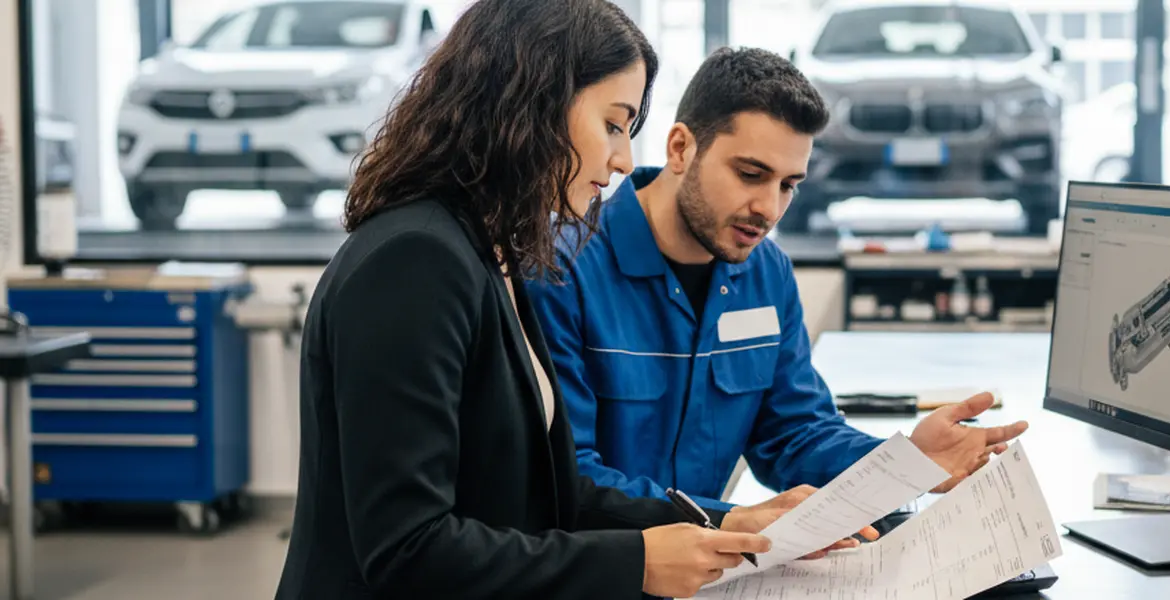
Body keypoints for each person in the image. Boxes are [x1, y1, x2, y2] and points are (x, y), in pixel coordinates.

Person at [273, 5, 855, 599]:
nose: (625, 159)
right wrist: (636, 562)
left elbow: (549, 489)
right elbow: (408, 549)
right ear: (536, 105)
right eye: (613, 124)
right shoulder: (417, 259)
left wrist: (724, 523)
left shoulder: (490, 253)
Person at [526, 47, 1030, 512]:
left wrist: (903, 465)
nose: (768, 209)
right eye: (750, 174)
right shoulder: (560, 271)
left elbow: (794, 434)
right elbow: (570, 477)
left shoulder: (766, 272)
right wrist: (730, 524)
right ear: (680, 148)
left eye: (789, 185)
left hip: (711, 561)